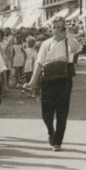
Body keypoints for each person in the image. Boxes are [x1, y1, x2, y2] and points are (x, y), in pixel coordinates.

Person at [27, 16, 81, 151]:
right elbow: (39, 64)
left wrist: (68, 34)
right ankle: (51, 131)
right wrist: (33, 81)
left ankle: (58, 142)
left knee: (62, 112)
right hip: (48, 80)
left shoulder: (68, 42)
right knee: (46, 113)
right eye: (54, 27)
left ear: (63, 28)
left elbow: (76, 49)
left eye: (59, 27)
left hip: (64, 80)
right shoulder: (46, 43)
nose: (56, 30)